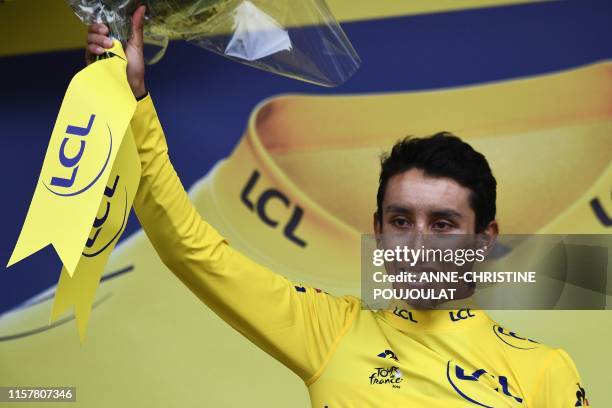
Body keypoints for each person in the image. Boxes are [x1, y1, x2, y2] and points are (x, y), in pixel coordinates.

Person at [86, 6, 590, 407]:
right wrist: (132, 102)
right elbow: (188, 249)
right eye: (400, 220)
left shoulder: (544, 372)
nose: (416, 244)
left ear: (485, 239)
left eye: (443, 224)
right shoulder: (331, 330)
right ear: (377, 229)